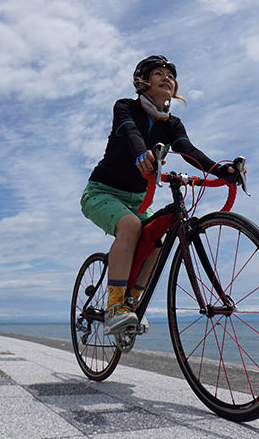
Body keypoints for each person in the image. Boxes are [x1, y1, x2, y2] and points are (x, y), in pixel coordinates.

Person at [80, 55, 239, 334]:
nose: (167, 78)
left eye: (170, 75)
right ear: (142, 82)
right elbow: (129, 132)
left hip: (139, 199)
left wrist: (220, 171)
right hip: (101, 192)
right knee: (130, 226)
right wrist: (143, 153)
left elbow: (189, 151)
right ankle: (115, 307)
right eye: (158, 73)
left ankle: (132, 305)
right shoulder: (125, 106)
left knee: (157, 242)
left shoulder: (172, 123)